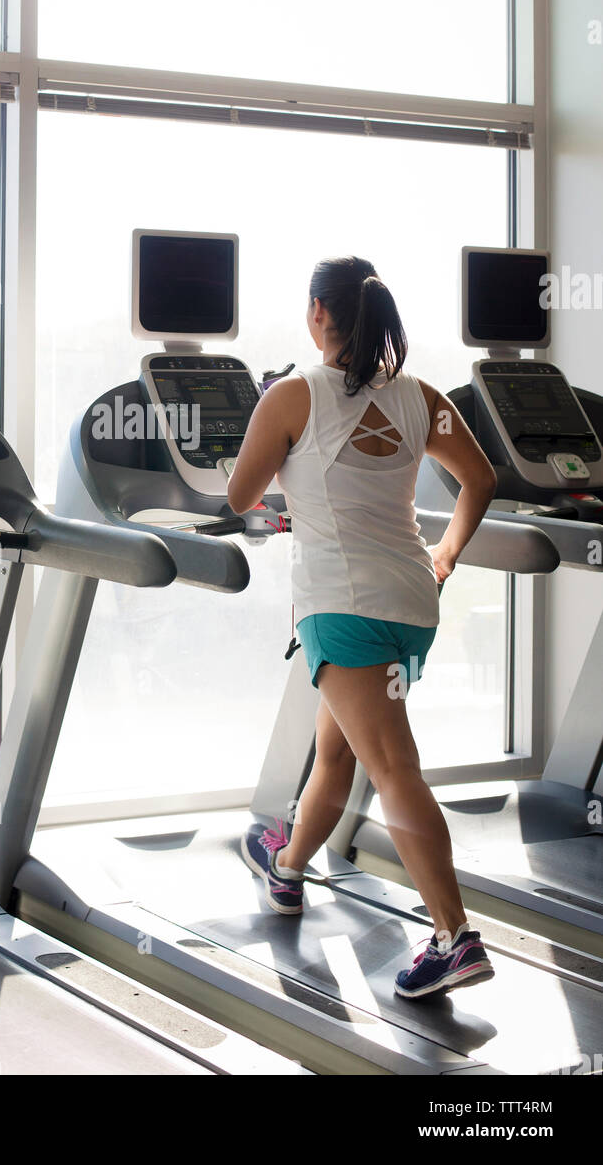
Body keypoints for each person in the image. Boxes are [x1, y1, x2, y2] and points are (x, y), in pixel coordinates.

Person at [227, 255, 498, 999]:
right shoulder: (422, 397)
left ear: (318, 313)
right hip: (410, 604)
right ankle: (286, 869)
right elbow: (481, 478)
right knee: (336, 752)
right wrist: (444, 554)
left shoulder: (292, 396)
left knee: (391, 765)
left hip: (342, 606)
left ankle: (453, 935)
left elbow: (239, 494)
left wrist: (270, 429)